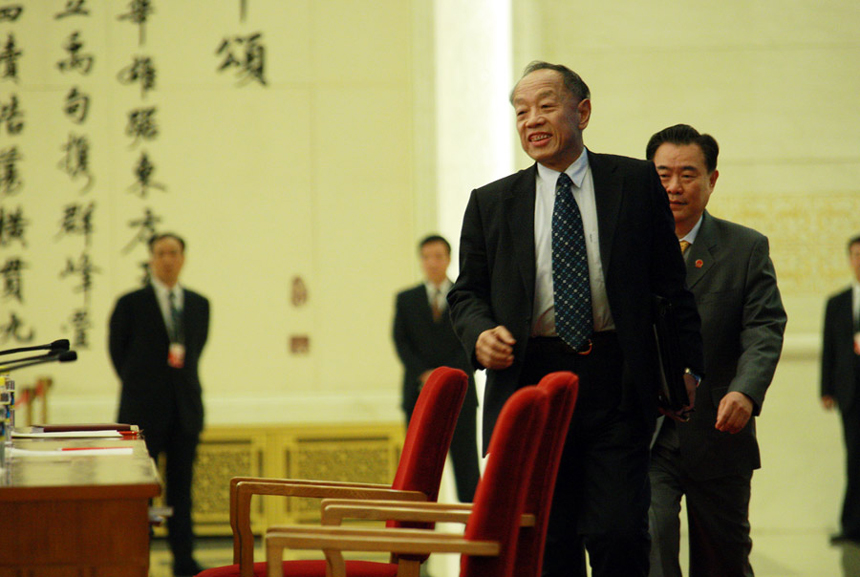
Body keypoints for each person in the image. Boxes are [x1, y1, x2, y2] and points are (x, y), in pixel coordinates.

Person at [447, 61, 704, 577]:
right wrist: (479, 334)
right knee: (547, 539)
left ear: (582, 111)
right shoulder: (491, 203)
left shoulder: (633, 182)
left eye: (545, 105)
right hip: (530, 384)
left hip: (615, 381)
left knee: (619, 533)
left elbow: (670, 288)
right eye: (521, 111)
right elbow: (466, 294)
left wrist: (687, 369)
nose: (531, 120)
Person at [645, 124, 787, 577]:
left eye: (688, 174)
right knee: (652, 540)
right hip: (647, 435)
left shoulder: (744, 248)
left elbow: (764, 326)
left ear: (712, 180)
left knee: (722, 559)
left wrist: (746, 391)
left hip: (719, 430)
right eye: (663, 174)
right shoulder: (625, 248)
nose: (674, 186)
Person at [109, 233, 210, 577]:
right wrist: (145, 386)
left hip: (185, 412)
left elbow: (195, 352)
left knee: (182, 491)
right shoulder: (131, 304)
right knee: (141, 495)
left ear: (183, 258)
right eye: (160, 253)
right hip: (142, 413)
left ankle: (185, 561)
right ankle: (139, 560)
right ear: (152, 259)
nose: (167, 259)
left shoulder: (199, 304)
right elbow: (118, 354)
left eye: (174, 253)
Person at [393, 234, 481, 502]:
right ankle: (415, 532)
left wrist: (444, 377)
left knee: (466, 466)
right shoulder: (406, 299)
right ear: (421, 260)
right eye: (427, 256)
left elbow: (471, 343)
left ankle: (474, 533)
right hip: (418, 392)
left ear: (449, 259)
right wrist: (425, 374)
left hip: (460, 393)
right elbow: (401, 341)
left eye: (439, 256)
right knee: (419, 468)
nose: (433, 262)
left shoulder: (464, 297)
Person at [821, 234, 860, 547]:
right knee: (854, 459)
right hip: (850, 394)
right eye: (856, 255)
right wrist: (826, 389)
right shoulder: (837, 302)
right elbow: (829, 349)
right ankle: (852, 526)